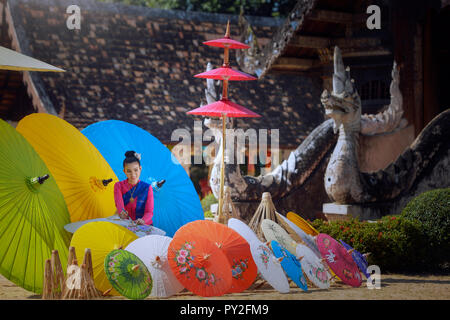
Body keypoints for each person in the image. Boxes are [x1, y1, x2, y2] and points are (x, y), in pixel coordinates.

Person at [114, 151, 154, 225]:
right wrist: (122, 212)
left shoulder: (147, 188)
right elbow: (119, 205)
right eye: (129, 171)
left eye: (136, 170)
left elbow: (149, 212)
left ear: (140, 168)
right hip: (125, 223)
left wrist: (143, 220)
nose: (133, 175)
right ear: (124, 171)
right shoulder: (118, 186)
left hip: (143, 225)